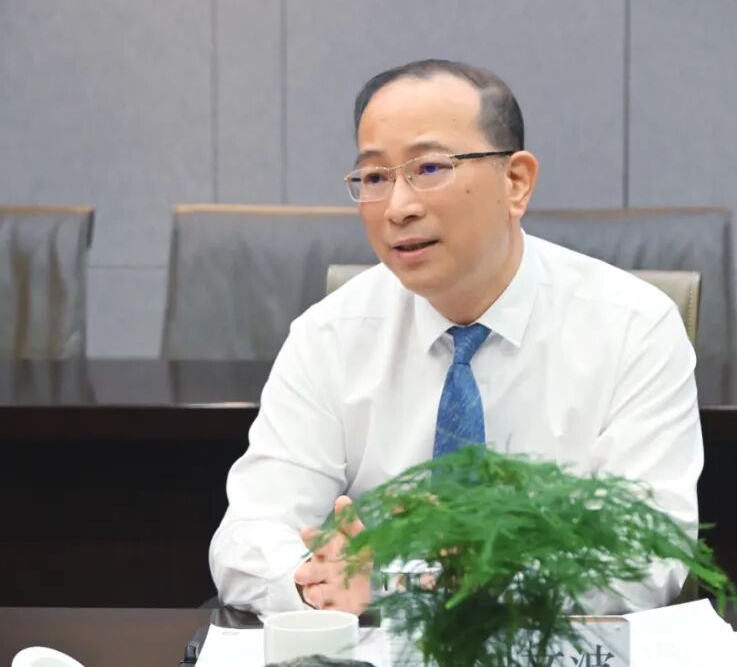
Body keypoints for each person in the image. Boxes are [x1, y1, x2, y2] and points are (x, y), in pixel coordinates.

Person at [209, 59, 703, 615]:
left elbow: (643, 556)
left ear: (515, 182)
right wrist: (313, 586)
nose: (399, 207)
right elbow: (247, 538)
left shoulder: (633, 327)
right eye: (375, 178)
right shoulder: (329, 336)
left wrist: (407, 586)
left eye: (429, 168)